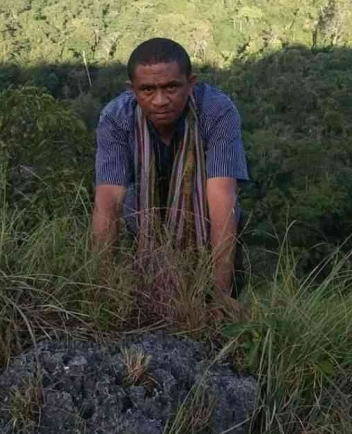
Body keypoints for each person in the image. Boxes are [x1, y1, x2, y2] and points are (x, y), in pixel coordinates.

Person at [92, 37, 248, 313]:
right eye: (148, 90)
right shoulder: (116, 117)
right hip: (143, 220)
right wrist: (101, 287)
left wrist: (221, 293)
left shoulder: (217, 111)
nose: (160, 100)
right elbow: (109, 201)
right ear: (132, 90)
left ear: (191, 83)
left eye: (171, 87)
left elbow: (222, 197)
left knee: (221, 308)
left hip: (206, 216)